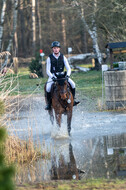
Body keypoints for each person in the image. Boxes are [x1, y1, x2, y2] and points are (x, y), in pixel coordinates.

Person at [45, 41, 80, 110]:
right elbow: (47, 71)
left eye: (57, 48)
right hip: (53, 76)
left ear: (59, 49)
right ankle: (49, 104)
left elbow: (69, 68)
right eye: (54, 48)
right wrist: (52, 77)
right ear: (52, 49)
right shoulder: (49, 58)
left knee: (73, 84)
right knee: (48, 88)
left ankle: (73, 101)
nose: (56, 49)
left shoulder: (63, 57)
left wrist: (67, 76)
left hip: (62, 76)